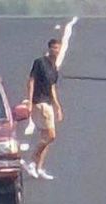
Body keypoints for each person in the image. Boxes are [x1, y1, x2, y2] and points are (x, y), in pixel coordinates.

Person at [24, 38, 63, 181]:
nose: (56, 51)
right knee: (51, 136)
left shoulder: (54, 68)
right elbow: (31, 81)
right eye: (54, 48)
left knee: (45, 138)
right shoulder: (40, 63)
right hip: (39, 103)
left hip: (48, 103)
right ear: (49, 49)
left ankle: (38, 167)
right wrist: (29, 100)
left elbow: (52, 87)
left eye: (58, 48)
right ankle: (32, 160)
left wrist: (57, 105)